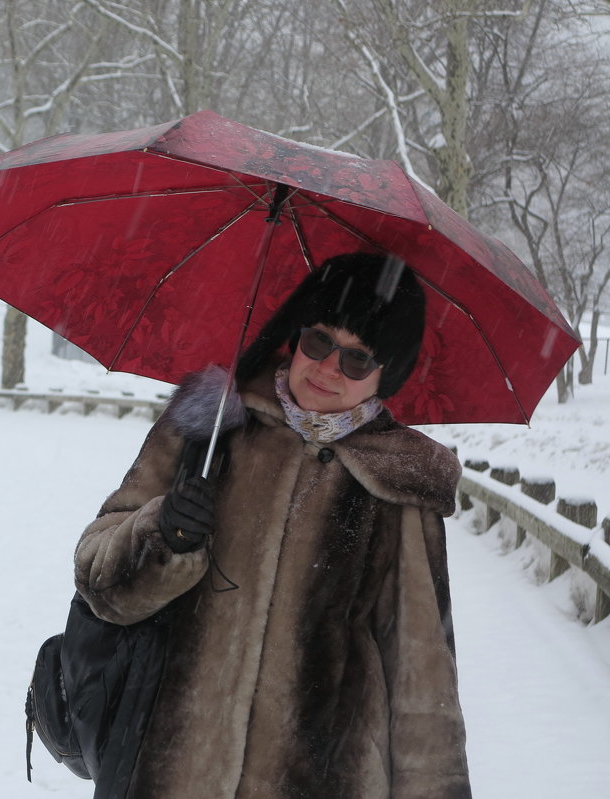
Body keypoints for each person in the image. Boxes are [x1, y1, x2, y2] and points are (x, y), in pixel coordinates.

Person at [74, 251, 471, 798]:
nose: (329, 368)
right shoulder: (209, 425)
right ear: (296, 335)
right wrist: (160, 537)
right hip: (172, 771)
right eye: (318, 341)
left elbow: (422, 672)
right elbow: (96, 577)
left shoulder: (398, 484)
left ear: (387, 375)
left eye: (358, 361)